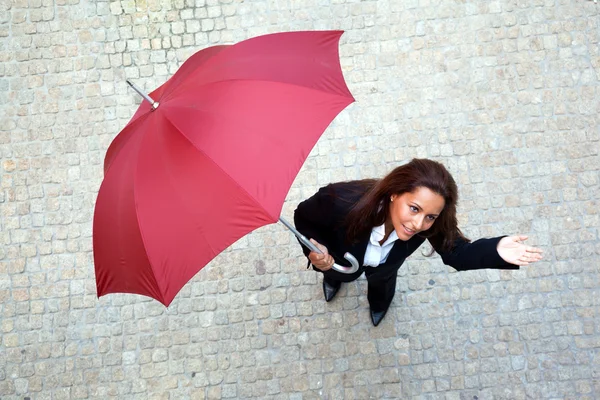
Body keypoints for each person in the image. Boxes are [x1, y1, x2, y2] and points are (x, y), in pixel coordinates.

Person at [293, 158, 543, 326]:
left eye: (430, 217)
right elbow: (303, 218)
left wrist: (496, 250)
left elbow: (456, 252)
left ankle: (378, 304)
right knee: (335, 272)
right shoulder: (339, 200)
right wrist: (316, 252)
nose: (418, 224)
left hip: (385, 269)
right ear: (394, 193)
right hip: (340, 259)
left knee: (382, 283)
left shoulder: (429, 222)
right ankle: (334, 279)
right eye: (413, 208)